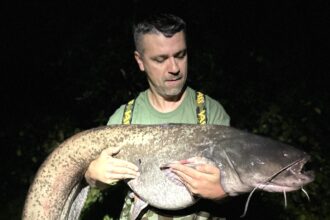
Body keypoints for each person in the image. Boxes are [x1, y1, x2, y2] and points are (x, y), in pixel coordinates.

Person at [85, 13, 230, 219]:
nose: (174, 68)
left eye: (180, 55)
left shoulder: (210, 113)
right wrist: (93, 175)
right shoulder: (123, 120)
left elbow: (239, 184)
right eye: (160, 59)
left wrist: (222, 193)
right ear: (140, 61)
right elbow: (97, 183)